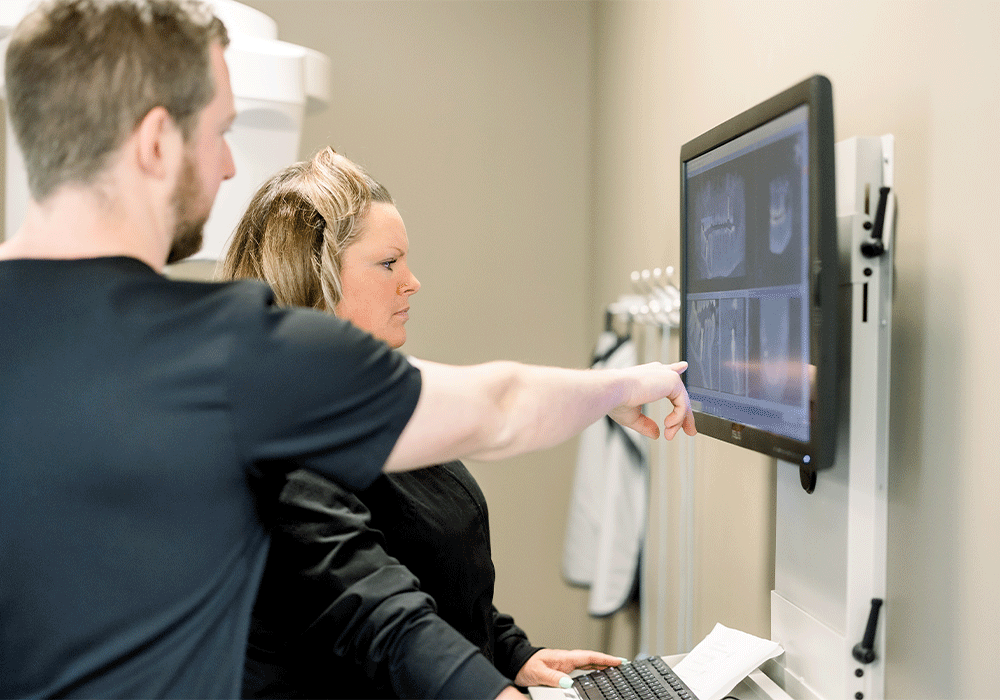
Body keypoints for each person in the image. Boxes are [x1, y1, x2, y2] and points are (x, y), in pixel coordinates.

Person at [0, 1, 695, 698]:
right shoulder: (227, 355)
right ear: (156, 142)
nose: (228, 164)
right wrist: (625, 385)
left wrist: (504, 656)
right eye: (221, 132)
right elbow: (500, 408)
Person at [221, 147, 625, 699]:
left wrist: (512, 655)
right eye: (388, 263)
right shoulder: (284, 435)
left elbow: (434, 570)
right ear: (315, 276)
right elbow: (377, 611)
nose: (412, 282)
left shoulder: (367, 407)